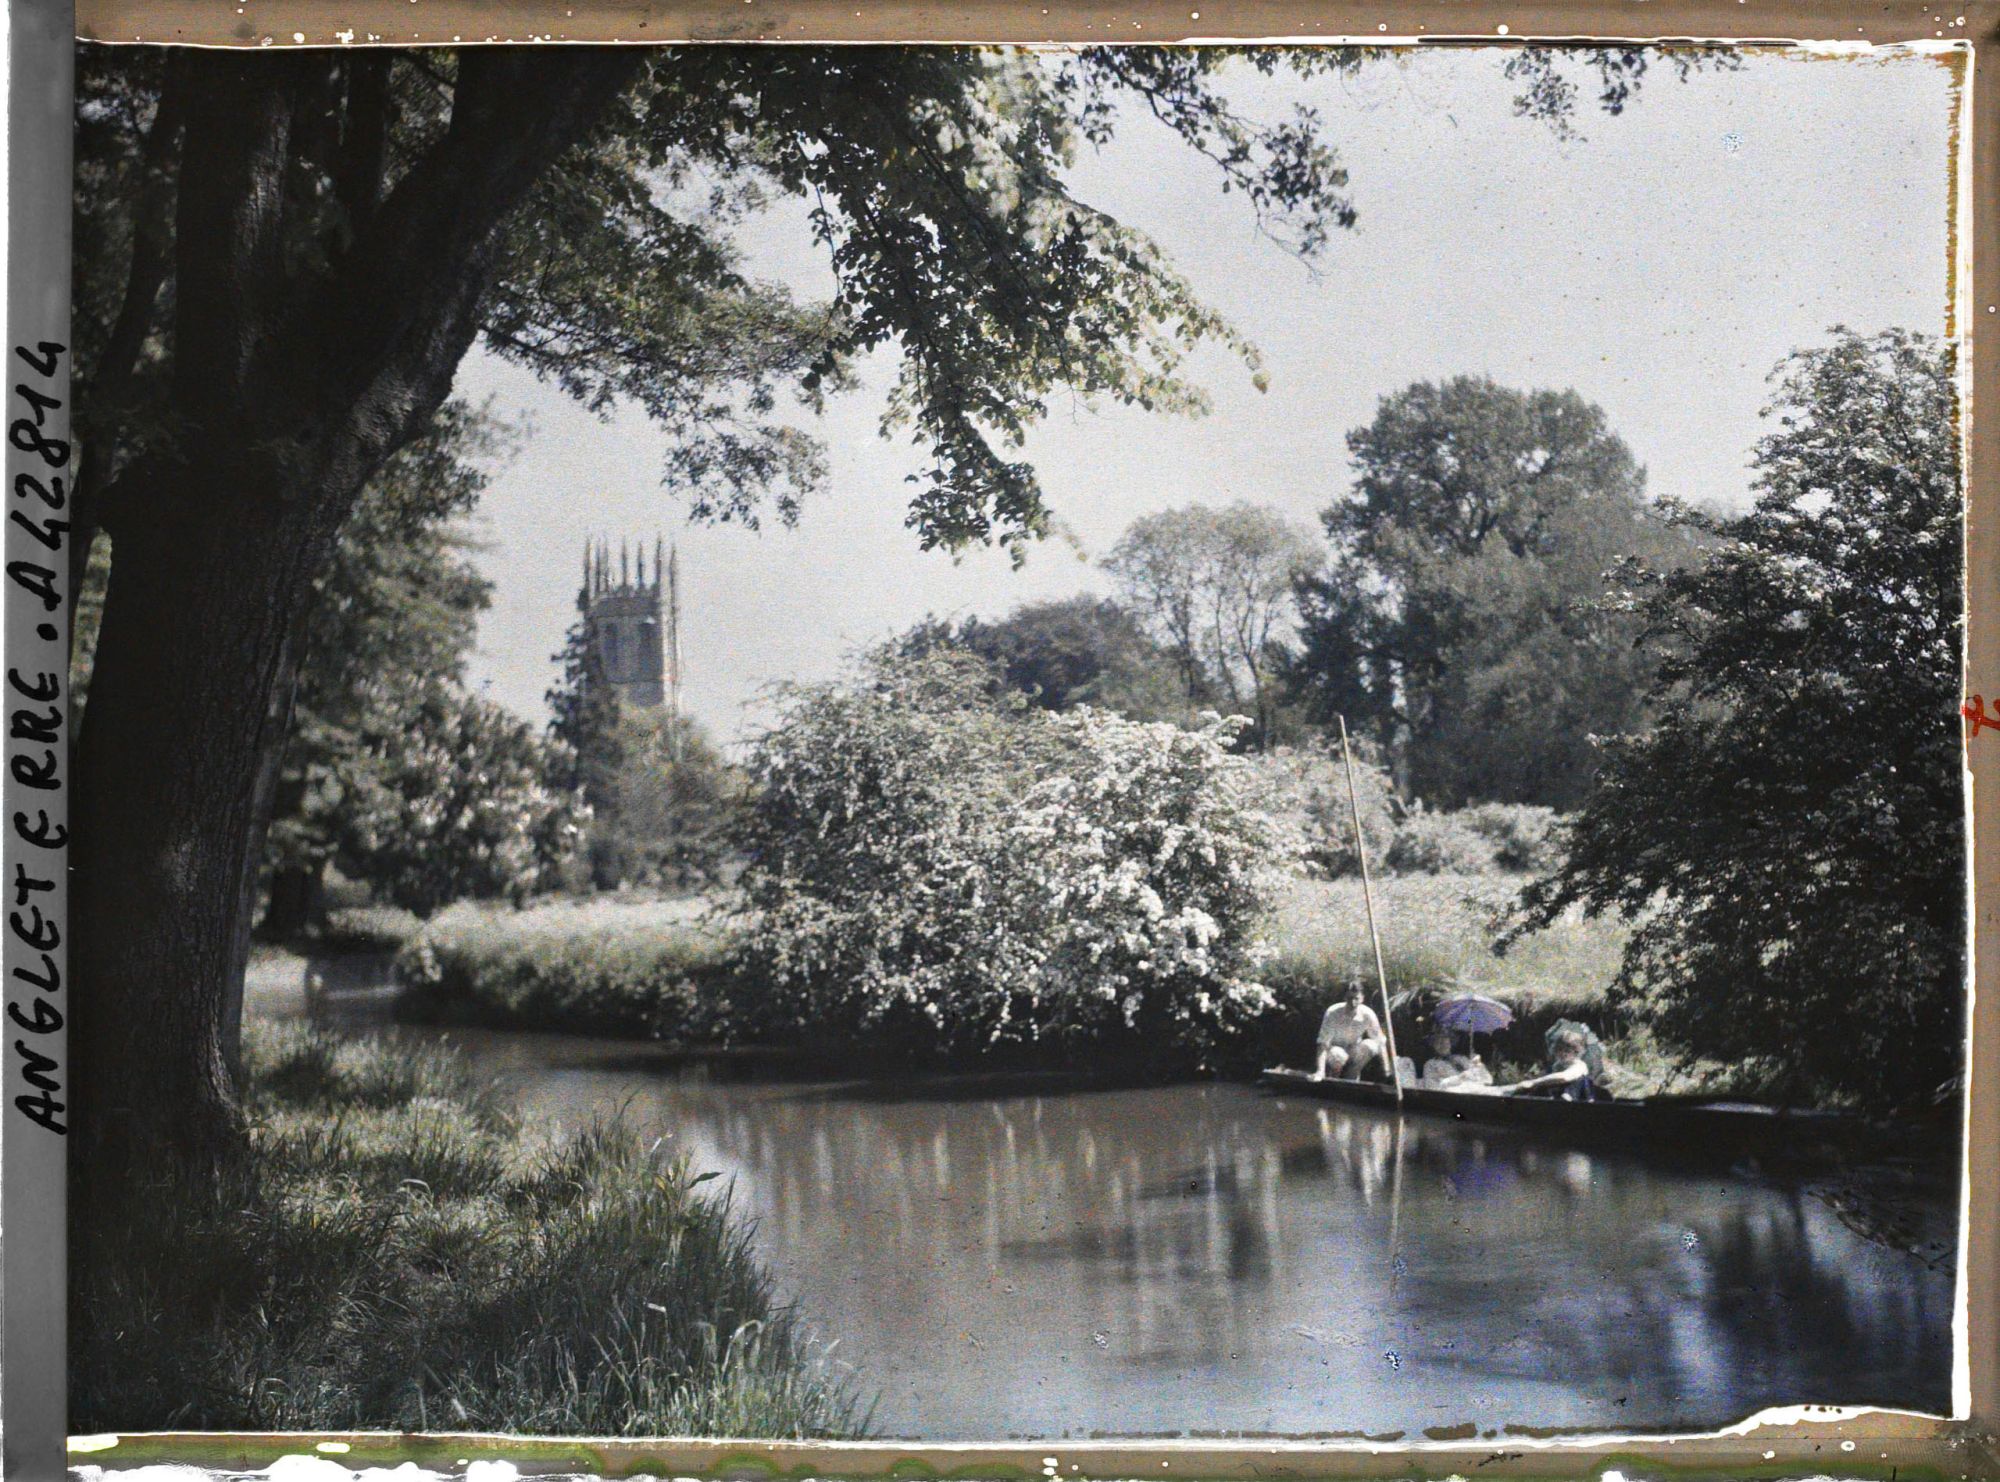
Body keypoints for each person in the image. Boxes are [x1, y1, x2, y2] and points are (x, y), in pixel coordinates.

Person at [1497, 1027, 1603, 1101]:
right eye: (1560, 1050)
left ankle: (1566, 1097)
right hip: (1557, 1097)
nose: (1562, 1053)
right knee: (1541, 1083)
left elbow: (1565, 1077)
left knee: (1580, 1080)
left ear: (1576, 1052)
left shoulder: (1579, 1065)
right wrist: (1530, 1080)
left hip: (1579, 1099)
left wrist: (1534, 1082)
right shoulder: (1557, 1065)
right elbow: (1545, 1077)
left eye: (1567, 1051)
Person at [1315, 978, 1387, 1081]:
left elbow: (1380, 1042)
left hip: (1354, 1052)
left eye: (1356, 998)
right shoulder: (1333, 1013)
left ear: (1362, 999)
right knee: (1338, 1055)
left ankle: (1352, 1078)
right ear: (1345, 998)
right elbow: (1322, 1044)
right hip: (1335, 1051)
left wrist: (1386, 1070)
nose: (1353, 1002)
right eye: (1350, 998)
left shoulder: (1368, 1015)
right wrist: (1320, 1070)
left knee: (1371, 1046)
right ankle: (1333, 1080)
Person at [1420, 1026, 1493, 1091]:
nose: (1443, 1044)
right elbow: (1431, 1088)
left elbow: (1488, 1080)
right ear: (1433, 1045)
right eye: (1438, 1041)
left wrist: (1479, 1066)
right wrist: (1458, 1079)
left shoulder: (1462, 1059)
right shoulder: (1430, 1065)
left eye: (1445, 1040)